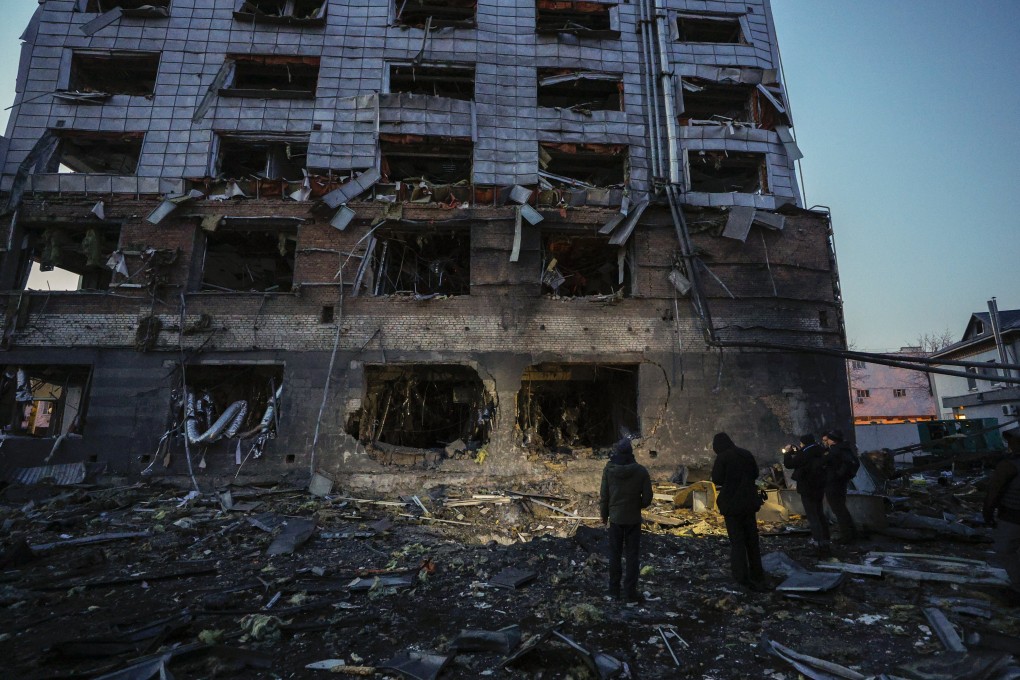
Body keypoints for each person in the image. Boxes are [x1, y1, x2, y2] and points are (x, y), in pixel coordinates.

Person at [711, 432, 768, 592]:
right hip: (749, 503)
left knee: (737, 542)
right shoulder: (746, 454)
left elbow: (717, 479)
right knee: (752, 541)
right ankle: (758, 575)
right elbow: (755, 473)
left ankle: (741, 577)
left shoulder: (723, 457)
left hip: (732, 505)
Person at [599, 437, 652, 602]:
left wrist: (604, 515)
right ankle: (630, 592)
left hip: (615, 519)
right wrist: (638, 505)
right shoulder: (641, 471)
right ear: (631, 453)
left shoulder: (609, 470)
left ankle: (614, 591)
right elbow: (647, 498)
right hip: (633, 519)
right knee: (632, 556)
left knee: (615, 555)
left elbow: (604, 496)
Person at [984, 428, 1020, 597]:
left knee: (1005, 550)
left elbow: (994, 490)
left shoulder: (1008, 465)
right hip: (1011, 515)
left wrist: (988, 512)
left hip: (1012, 517)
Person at [784, 433, 832, 556]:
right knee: (819, 512)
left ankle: (818, 542)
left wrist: (787, 453)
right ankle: (826, 539)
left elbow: (789, 464)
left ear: (804, 443)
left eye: (801, 443)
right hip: (819, 486)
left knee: (812, 515)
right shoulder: (820, 450)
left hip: (807, 487)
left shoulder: (804, 453)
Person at [822, 430, 859, 544]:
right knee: (841, 508)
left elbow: (825, 462)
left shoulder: (835, 451)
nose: (825, 442)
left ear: (832, 440)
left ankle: (847, 536)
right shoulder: (845, 448)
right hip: (841, 483)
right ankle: (852, 533)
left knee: (838, 509)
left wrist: (836, 476)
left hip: (834, 484)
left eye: (827, 440)